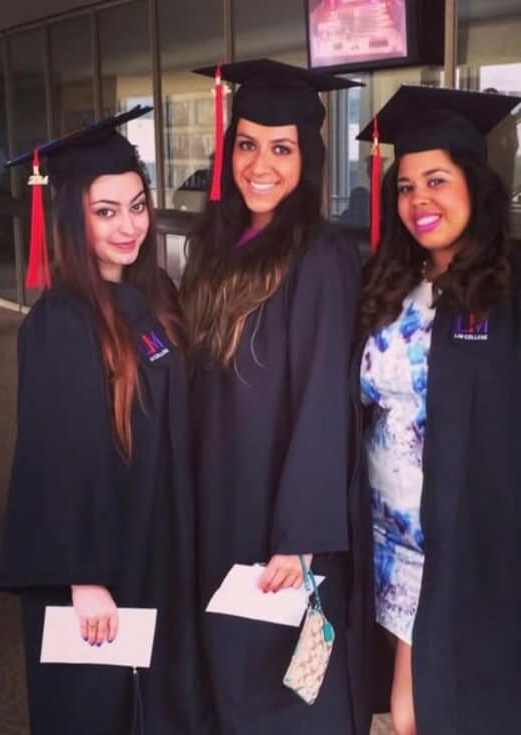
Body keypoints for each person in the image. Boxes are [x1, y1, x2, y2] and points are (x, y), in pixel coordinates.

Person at [355, 86, 521, 735]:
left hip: (480, 548)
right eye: (407, 186)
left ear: (476, 184)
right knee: (410, 711)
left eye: (438, 180)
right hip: (393, 542)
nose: (420, 200)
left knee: (469, 711)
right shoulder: (391, 284)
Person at [0, 108, 209, 735]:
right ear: (72, 218)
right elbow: (52, 458)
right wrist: (81, 577)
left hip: (150, 541)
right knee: (100, 710)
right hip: (98, 564)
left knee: (155, 704)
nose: (129, 226)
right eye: (106, 211)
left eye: (137, 205)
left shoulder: (150, 299)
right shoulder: (62, 322)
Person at [178, 59, 373, 735]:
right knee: (225, 668)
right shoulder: (214, 248)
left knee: (286, 686)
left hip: (281, 518)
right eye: (247, 143)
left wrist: (303, 535)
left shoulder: (322, 256)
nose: (260, 164)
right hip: (217, 500)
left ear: (308, 158)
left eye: (281, 147)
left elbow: (326, 394)